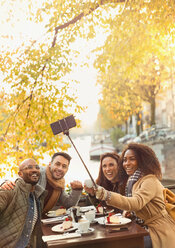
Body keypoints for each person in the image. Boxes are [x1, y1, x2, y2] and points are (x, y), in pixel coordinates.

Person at [94, 143, 175, 248]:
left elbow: (136, 203)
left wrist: (106, 195)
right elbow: (140, 206)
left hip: (158, 231)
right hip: (144, 228)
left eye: (132, 159)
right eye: (124, 160)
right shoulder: (133, 181)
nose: (126, 163)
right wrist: (133, 214)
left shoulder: (150, 180)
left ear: (142, 161)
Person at [1, 152, 83, 214]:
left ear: (67, 169)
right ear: (50, 164)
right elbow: (18, 178)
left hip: (40, 221)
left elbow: (69, 204)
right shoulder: (38, 172)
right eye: (57, 164)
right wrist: (5, 183)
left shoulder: (59, 183)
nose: (60, 168)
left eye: (64, 166)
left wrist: (77, 190)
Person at [0, 158, 47, 248]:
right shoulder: (10, 189)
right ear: (20, 174)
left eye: (37, 167)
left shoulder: (37, 196)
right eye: (29, 167)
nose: (34, 170)